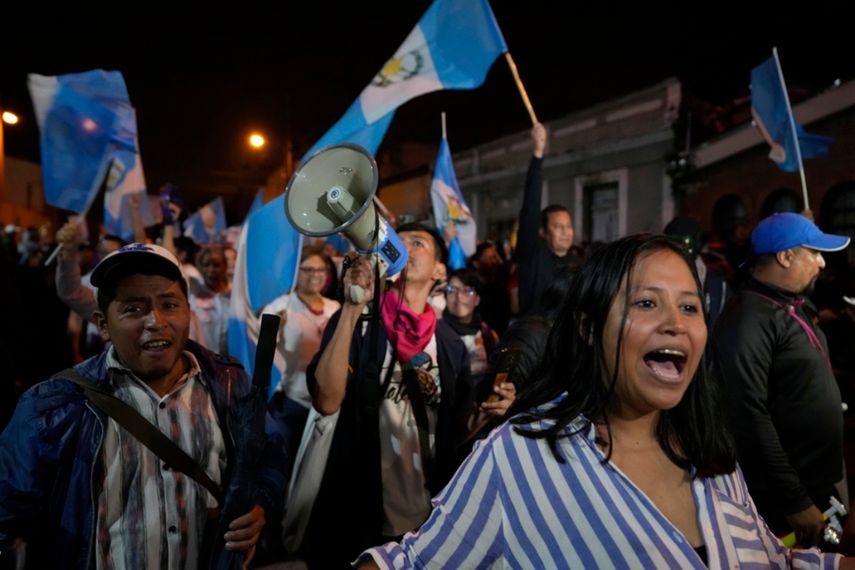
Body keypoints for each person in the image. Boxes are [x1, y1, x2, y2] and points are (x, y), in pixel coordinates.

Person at [355, 234, 845, 568]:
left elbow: (771, 560)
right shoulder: (518, 457)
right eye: (647, 303)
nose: (675, 322)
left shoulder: (712, 455)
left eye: (690, 307)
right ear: (590, 328)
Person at [0, 242, 285, 569]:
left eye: (169, 304)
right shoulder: (52, 406)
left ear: (188, 311)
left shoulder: (231, 384)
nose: (156, 321)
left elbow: (269, 456)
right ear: (102, 324)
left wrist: (258, 505)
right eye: (134, 308)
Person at [296, 222, 471, 567]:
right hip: (360, 512)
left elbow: (460, 430)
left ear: (439, 270)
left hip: (427, 518)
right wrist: (350, 308)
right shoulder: (359, 324)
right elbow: (326, 400)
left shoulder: (450, 345)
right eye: (396, 242)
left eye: (417, 243)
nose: (403, 249)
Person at [713, 212, 851, 545]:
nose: (821, 263)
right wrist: (794, 500)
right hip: (791, 496)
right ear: (785, 256)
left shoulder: (788, 302)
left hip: (822, 478)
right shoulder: (748, 320)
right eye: (813, 252)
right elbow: (747, 416)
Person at [261, 247, 340, 477]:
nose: (315, 274)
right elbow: (262, 349)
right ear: (296, 272)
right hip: (291, 400)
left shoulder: (334, 308)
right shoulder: (280, 307)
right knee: (283, 466)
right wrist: (278, 329)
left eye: (320, 269)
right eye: (307, 269)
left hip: (326, 404)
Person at [515, 122, 581, 316]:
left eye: (568, 226)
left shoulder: (579, 265)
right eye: (558, 227)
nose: (565, 232)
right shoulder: (532, 256)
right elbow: (530, 210)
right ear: (542, 232)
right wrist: (538, 154)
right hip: (536, 341)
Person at [191, 244, 232, 355]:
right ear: (199, 266)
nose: (211, 270)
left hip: (229, 360)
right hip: (202, 360)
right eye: (206, 265)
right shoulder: (193, 291)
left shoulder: (233, 294)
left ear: (225, 266)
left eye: (216, 265)